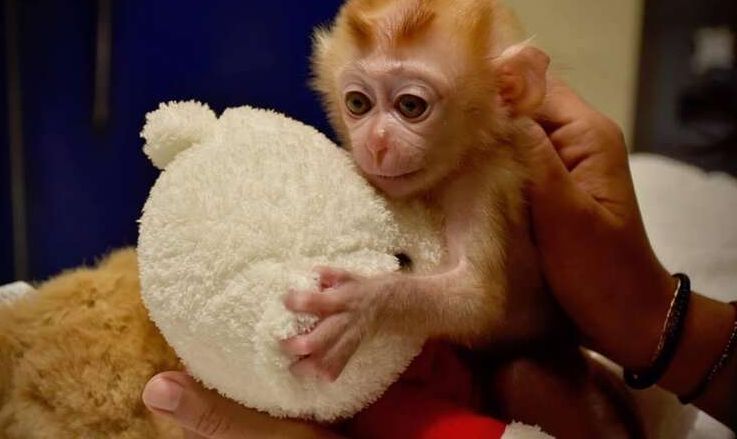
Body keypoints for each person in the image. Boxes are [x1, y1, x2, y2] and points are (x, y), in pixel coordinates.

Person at [142, 77, 737, 437]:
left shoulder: (488, 166)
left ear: (507, 88)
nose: (376, 140)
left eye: (413, 104)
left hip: (526, 372)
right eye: (356, 101)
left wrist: (650, 316)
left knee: (532, 383)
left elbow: (474, 295)